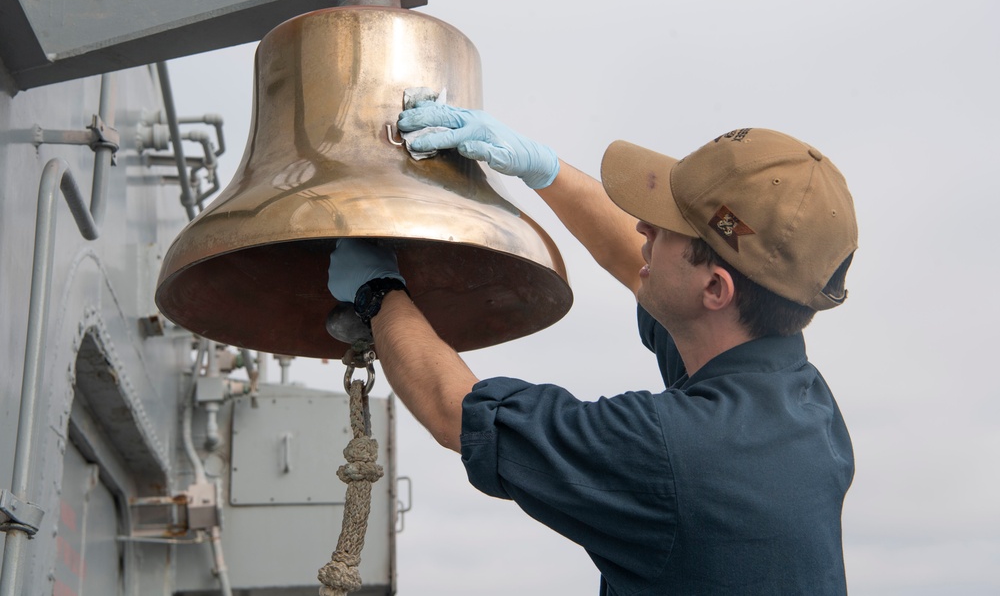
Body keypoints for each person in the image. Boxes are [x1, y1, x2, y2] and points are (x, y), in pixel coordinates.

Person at [327, 103, 858, 595]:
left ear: (716, 289)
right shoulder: (801, 399)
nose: (644, 227)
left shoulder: (672, 452)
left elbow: (455, 412)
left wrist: (378, 295)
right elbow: (639, 265)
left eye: (668, 226)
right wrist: (543, 170)